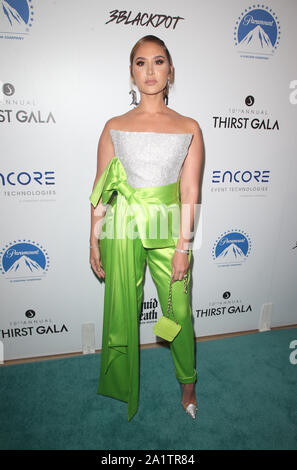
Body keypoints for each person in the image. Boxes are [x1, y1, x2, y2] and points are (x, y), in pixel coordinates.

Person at [89, 35, 203, 421]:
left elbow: (189, 190)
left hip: (169, 225)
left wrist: (183, 248)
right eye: (141, 63)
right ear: (132, 73)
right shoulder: (114, 126)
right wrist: (94, 238)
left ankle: (188, 383)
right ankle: (122, 382)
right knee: (124, 308)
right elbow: (102, 188)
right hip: (122, 226)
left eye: (158, 62)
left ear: (171, 71)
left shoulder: (189, 126)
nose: (150, 71)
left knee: (180, 310)